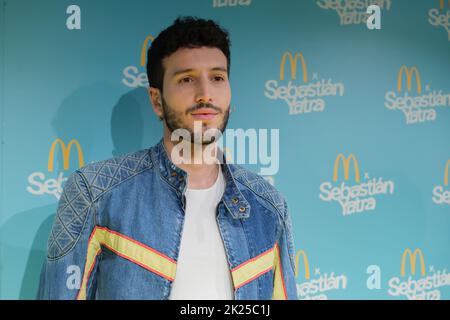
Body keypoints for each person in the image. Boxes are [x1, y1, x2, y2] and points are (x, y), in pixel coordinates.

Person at [37, 16, 297, 300]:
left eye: (217, 77)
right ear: (157, 101)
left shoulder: (269, 207)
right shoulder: (96, 193)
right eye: (187, 79)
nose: (205, 94)